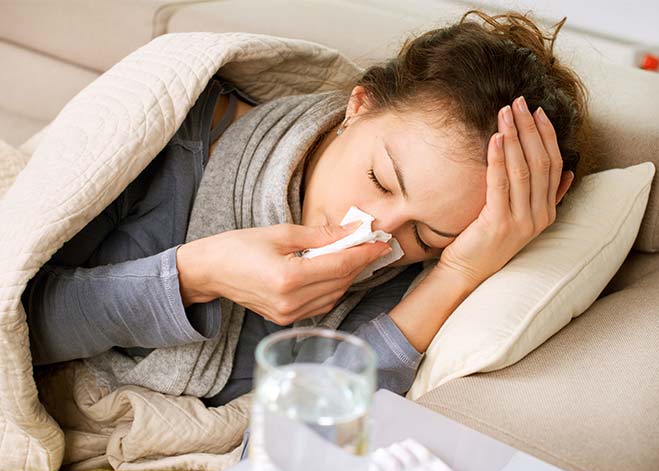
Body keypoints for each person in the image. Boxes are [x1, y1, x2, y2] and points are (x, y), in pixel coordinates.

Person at [23, 9, 587, 406]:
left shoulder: (407, 271)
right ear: (358, 107)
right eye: (381, 181)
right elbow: (18, 321)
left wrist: (457, 271)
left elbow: (309, 432)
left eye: (430, 232)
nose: (376, 236)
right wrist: (198, 274)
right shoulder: (168, 140)